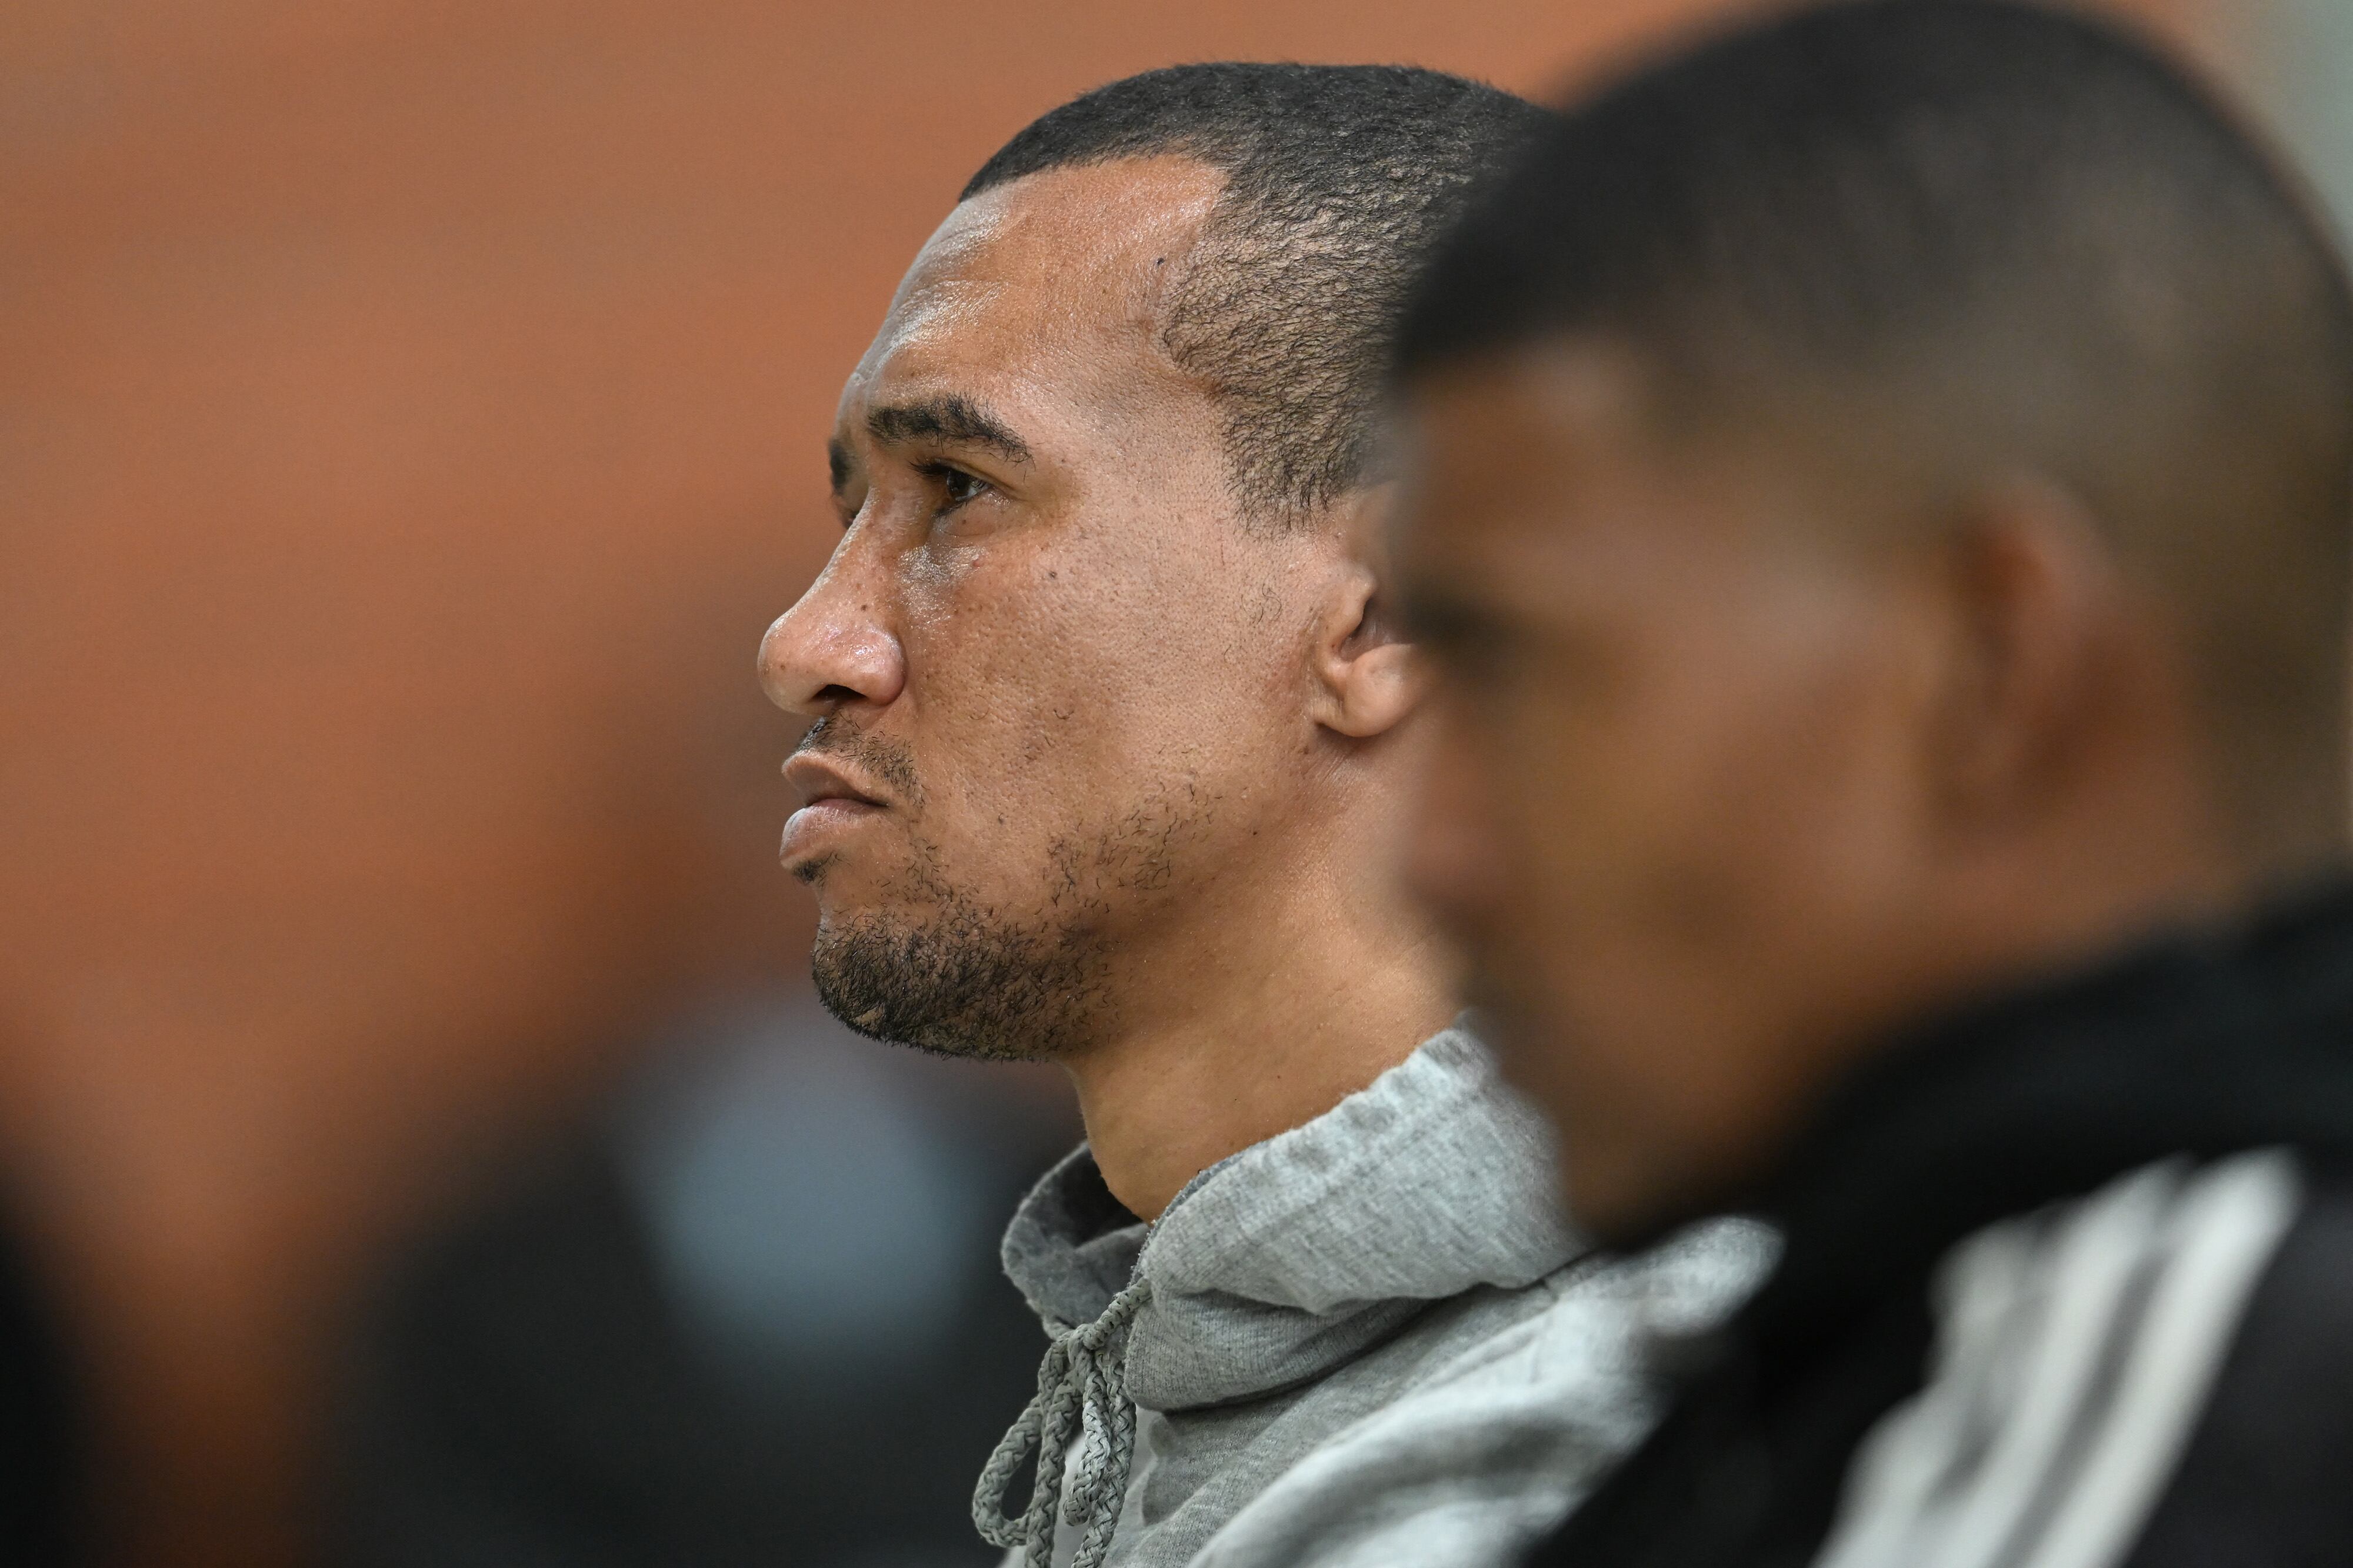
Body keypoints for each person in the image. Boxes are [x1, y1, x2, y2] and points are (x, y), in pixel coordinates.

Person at [756, 64, 1768, 1568]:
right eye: (852, 512)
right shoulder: (1211, 1384)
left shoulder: (1603, 1470)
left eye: (956, 488)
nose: (806, 645)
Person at [1388, 3, 2353, 1564]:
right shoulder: (1868, 1359)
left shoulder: (2188, 1380)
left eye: (1505, 671)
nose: (1433, 852)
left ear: (1988, 665)